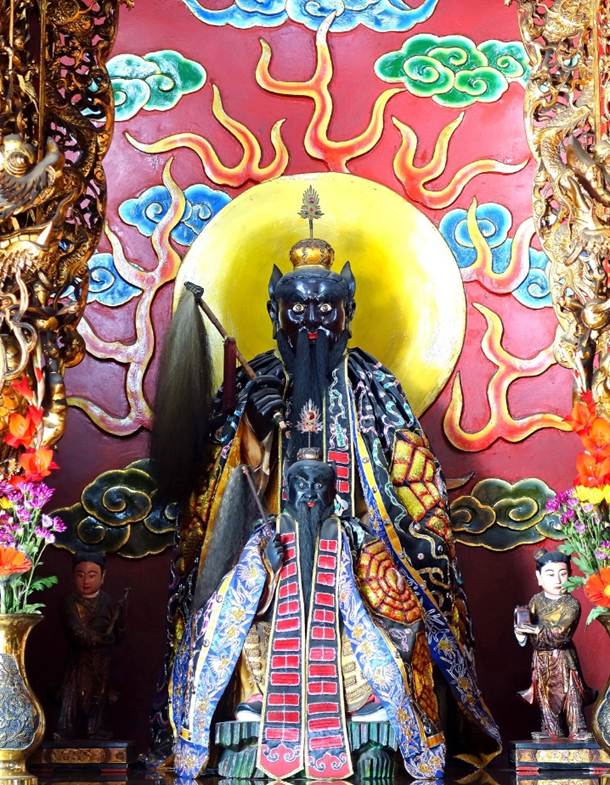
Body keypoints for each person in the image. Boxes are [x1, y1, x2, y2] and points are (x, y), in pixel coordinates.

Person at [150, 189, 500, 769]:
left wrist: (371, 543)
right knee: (233, 610)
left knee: (391, 610)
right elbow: (207, 506)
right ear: (274, 313)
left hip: (356, 560)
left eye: (325, 310)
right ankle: (248, 727)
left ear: (347, 312)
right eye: (297, 310)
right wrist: (251, 432)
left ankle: (374, 721)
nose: (311, 322)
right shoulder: (256, 385)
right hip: (272, 558)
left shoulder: (375, 389)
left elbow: (418, 494)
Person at [514, 548, 593, 740]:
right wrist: (520, 631)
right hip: (541, 658)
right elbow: (526, 626)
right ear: (539, 577)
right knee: (544, 694)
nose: (557, 580)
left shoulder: (571, 604)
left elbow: (561, 632)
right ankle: (551, 730)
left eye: (563, 574)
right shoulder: (535, 601)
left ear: (570, 576)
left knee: (571, 692)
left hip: (563, 657)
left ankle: (578, 728)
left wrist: (535, 629)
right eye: (550, 574)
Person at [55, 552, 127, 740]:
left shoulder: (108, 602)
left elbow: (119, 636)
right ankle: (67, 730)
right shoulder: (70, 603)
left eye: (92, 575)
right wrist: (103, 639)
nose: (86, 581)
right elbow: (77, 632)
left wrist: (120, 621)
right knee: (74, 698)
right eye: (80, 575)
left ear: (103, 577)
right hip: (78, 663)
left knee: (100, 697)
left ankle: (96, 730)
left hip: (103, 662)